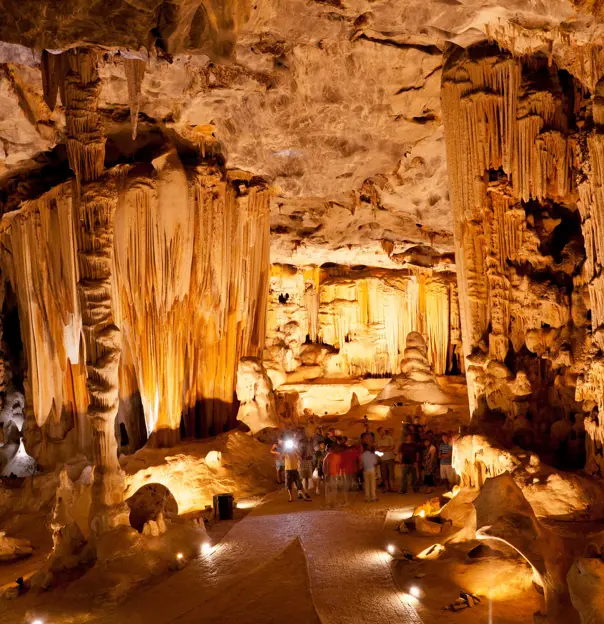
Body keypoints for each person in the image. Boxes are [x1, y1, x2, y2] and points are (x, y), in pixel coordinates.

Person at [283, 437, 311, 502]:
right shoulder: (286, 451)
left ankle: (305, 497)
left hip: (295, 469)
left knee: (299, 483)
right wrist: (285, 449)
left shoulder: (294, 450)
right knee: (289, 484)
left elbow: (300, 457)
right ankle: (291, 497)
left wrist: (295, 450)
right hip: (288, 469)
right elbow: (281, 456)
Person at [378, 428, 396, 492]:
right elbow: (379, 449)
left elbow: (392, 447)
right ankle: (387, 487)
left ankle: (392, 487)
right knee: (384, 473)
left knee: (391, 473)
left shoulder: (389, 438)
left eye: (382, 431)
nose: (381, 432)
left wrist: (384, 449)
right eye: (380, 431)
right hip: (383, 459)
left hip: (390, 458)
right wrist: (386, 448)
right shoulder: (379, 440)